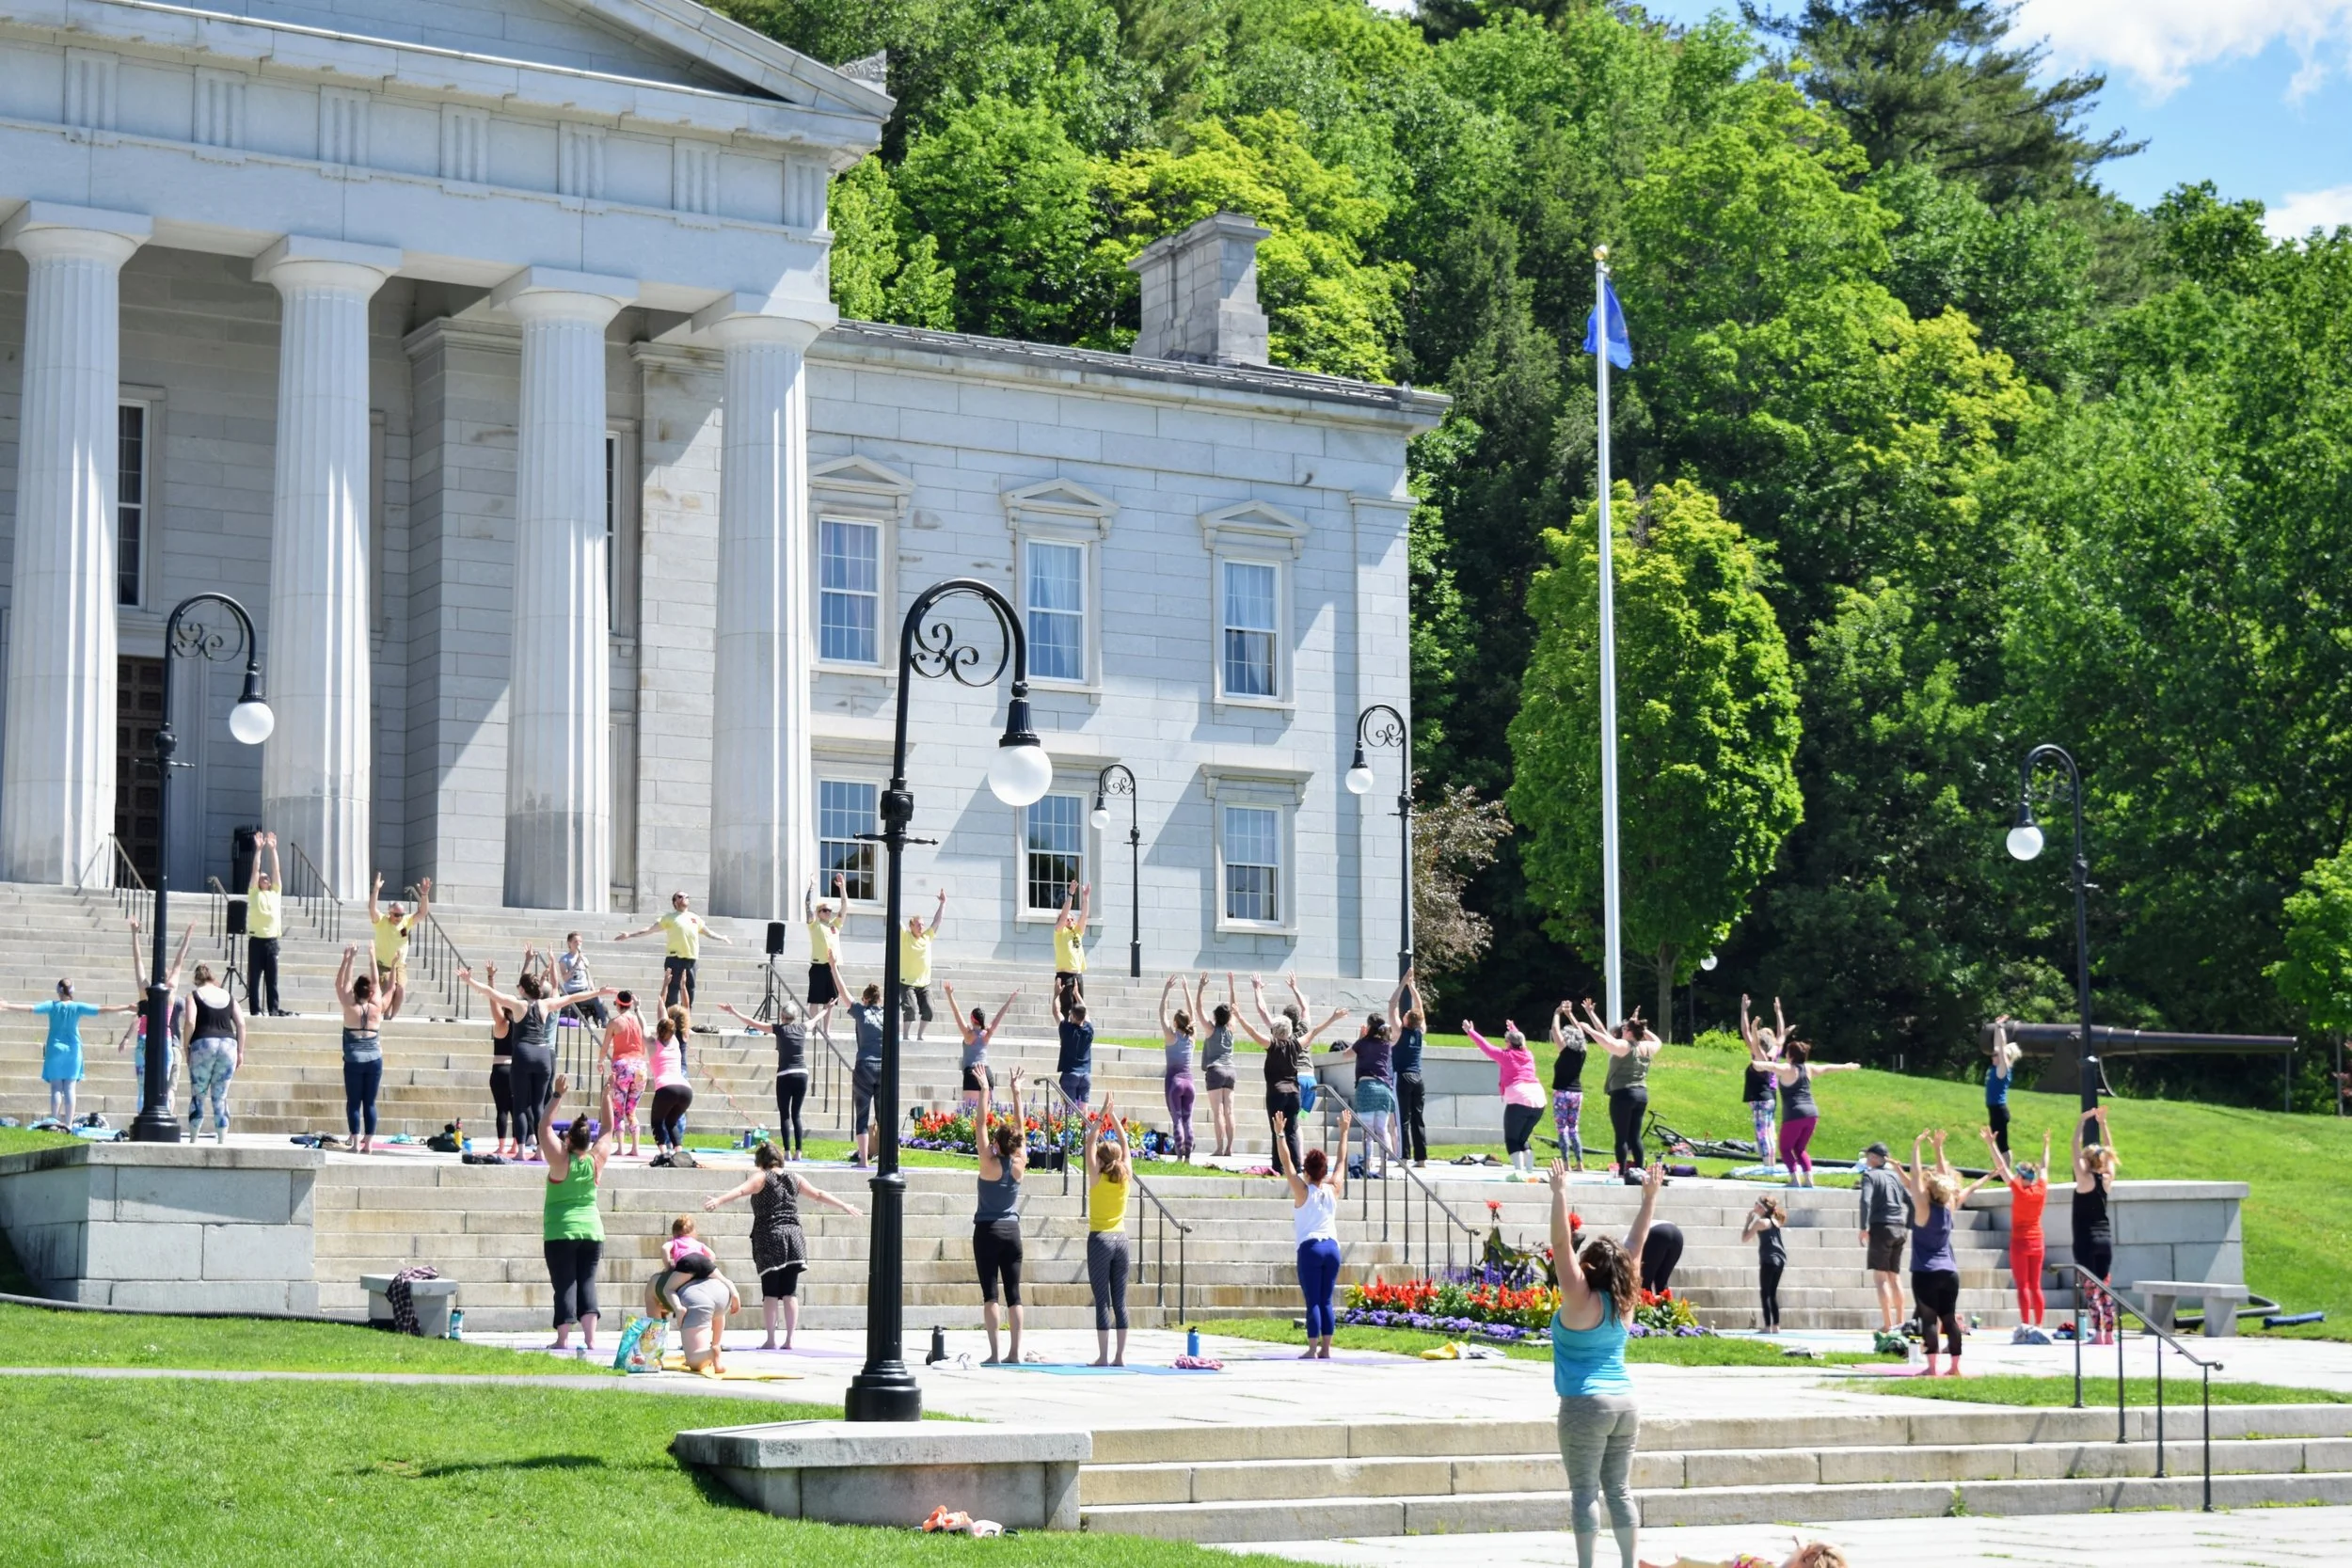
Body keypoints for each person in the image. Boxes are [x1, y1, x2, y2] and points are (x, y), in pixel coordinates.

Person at [1549, 1157, 1665, 1568]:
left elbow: (1560, 1245)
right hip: (1626, 1404)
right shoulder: (1625, 1301)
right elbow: (1636, 1242)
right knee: (1619, 1490)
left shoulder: (1579, 1298)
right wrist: (1649, 1199)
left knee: (1585, 1493)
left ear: (1588, 1267)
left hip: (1586, 1403)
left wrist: (1559, 1193)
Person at [704, 1139, 861, 1349]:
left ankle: (771, 1339)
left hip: (770, 1236)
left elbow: (741, 1191)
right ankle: (790, 1339)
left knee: (770, 1292)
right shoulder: (795, 1177)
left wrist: (718, 1200)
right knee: (789, 1291)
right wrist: (843, 1205)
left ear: (761, 1161)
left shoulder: (762, 1177)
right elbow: (818, 1194)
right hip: (794, 1236)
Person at [459, 966, 614, 1158]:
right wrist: (598, 992)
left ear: (523, 989)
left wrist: (469, 980)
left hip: (523, 1053)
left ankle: (521, 1151)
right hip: (543, 1055)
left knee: (520, 1105)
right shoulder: (545, 1005)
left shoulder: (517, 1005)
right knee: (539, 1106)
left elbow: (490, 993)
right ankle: (541, 1151)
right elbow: (572, 998)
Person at [1898, 1130, 1993, 1376]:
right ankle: (1954, 1367)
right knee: (1949, 1320)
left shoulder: (1922, 1209)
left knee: (1929, 1319)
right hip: (1949, 1273)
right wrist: (1938, 1148)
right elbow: (1945, 1176)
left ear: (1929, 1190)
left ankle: (1931, 1368)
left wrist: (1916, 1147)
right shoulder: (1950, 1206)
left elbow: (1916, 1176)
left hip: (1925, 1272)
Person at [541, 1072, 615, 1354]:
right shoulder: (596, 1160)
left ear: (569, 1140)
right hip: (592, 1232)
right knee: (587, 1283)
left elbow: (544, 1126)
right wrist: (606, 1096)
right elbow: (608, 1127)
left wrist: (557, 1095)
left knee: (565, 1284)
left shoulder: (561, 1160)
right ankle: (591, 1340)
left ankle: (562, 1339)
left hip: (561, 1231)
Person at [1273, 1105, 1353, 1358]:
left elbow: (1286, 1162)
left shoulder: (1302, 1191)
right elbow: (1341, 1161)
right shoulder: (1334, 1188)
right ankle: (1326, 1348)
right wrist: (1344, 1132)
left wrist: (1280, 1134)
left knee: (1313, 1301)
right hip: (1332, 1248)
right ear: (1323, 1172)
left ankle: (1311, 1348)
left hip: (1310, 1248)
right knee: (1327, 1299)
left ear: (1306, 1172)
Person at [1240, 984, 1346, 1173]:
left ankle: (1278, 1166)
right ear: (1289, 1032)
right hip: (1294, 1093)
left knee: (1277, 1131)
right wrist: (1333, 1018)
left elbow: (1252, 1033)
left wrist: (1239, 1017)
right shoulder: (1296, 1044)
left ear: (1274, 1031)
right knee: (1292, 1131)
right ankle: (1296, 1166)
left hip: (1277, 1094)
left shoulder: (1272, 1045)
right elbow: (1314, 1031)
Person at [4, 979, 135, 1126]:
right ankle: (68, 1124)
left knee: (56, 1088)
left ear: (58, 991)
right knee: (70, 1088)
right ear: (72, 991)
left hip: (55, 1049)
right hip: (73, 1050)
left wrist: (7, 1005)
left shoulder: (52, 1006)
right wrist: (127, 1007)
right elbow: (102, 1009)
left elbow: (30, 1008)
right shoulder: (77, 1007)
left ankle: (54, 1120)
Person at [973, 1063, 1029, 1365]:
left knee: (990, 1294)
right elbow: (1020, 1129)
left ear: (996, 1144)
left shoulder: (988, 1162)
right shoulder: (1020, 1163)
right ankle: (1014, 1353)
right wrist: (1016, 1093)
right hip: (1012, 1231)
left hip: (987, 1230)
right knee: (1014, 1294)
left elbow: (981, 1122)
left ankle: (995, 1354)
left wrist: (985, 1089)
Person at [720, 996, 814, 1160]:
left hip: (785, 1074)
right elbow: (815, 1019)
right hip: (802, 1073)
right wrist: (827, 1009)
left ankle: (787, 1152)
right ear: (795, 1017)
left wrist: (733, 1011)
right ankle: (799, 1151)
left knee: (785, 1114)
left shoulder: (779, 1029)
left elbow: (753, 1023)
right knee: (796, 1114)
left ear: (781, 1015)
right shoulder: (802, 1028)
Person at [118, 918, 195, 1117]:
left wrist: (134, 935)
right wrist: (187, 936)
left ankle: (142, 1118)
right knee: (163, 1087)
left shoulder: (145, 990)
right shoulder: (170, 991)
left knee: (143, 1088)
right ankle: (164, 1116)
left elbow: (138, 962)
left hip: (144, 1039)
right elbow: (179, 963)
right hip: (165, 1040)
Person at [1580, 1002, 1663, 1183]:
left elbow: (1604, 1039)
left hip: (1623, 1094)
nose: (1621, 1030)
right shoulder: (1647, 1047)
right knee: (1635, 1137)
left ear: (1629, 1032)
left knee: (1621, 1137)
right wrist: (1591, 1014)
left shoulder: (1625, 1046)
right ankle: (1640, 1172)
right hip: (1641, 1094)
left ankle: (1622, 1174)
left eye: (1625, 1028)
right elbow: (1658, 1041)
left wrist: (1587, 1029)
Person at [613, 890, 728, 1013]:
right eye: (680, 896)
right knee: (672, 992)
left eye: (686, 896)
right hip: (674, 960)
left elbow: (708, 933)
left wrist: (722, 937)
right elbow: (650, 930)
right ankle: (669, 1018)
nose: (684, 898)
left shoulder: (695, 918)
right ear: (675, 902)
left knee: (690, 991)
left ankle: (686, 1019)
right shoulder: (669, 918)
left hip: (691, 961)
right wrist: (630, 934)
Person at [1982, 1123, 2051, 1326]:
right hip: (2038, 1242)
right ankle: (2039, 1325)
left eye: (2018, 1175)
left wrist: (1991, 1144)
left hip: (2020, 1243)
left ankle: (2026, 1324)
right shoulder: (2041, 1189)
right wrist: (2046, 1145)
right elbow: (2045, 1167)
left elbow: (2001, 1167)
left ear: (2021, 1177)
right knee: (2036, 1286)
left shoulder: (2019, 1191)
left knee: (2023, 1286)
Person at [332, 943, 399, 1152]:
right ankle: (368, 1144)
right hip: (374, 1059)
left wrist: (348, 959)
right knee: (370, 1103)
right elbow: (388, 987)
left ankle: (354, 1142)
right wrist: (388, 964)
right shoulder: (377, 1007)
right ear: (370, 993)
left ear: (355, 991)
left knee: (353, 1102)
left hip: (354, 1059)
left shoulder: (349, 1006)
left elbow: (341, 983)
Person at [1083, 1092, 1133, 1366]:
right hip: (1121, 1240)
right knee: (1120, 1301)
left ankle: (1103, 1356)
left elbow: (1090, 1141)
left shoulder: (1096, 1177)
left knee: (1103, 1300)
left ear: (1101, 1161)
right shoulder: (1125, 1176)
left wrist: (1102, 1114)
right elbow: (1124, 1144)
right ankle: (1120, 1356)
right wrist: (1114, 1117)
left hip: (1100, 1240)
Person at [1771, 1037, 1859, 1188]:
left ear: (1790, 1055)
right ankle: (1809, 1180)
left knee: (1785, 1148)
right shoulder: (1809, 1068)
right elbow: (1827, 1068)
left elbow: (1771, 1066)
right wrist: (1846, 1066)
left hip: (1794, 1114)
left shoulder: (1788, 1069)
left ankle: (1795, 1180)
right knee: (1799, 1149)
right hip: (1812, 1114)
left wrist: (1756, 1063)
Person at [1465, 1019, 1546, 1175]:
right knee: (1522, 1139)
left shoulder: (1505, 1056)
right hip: (1539, 1100)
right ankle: (1530, 1172)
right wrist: (1513, 1028)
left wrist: (1470, 1032)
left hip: (1519, 1099)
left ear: (1508, 1043)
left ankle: (1519, 1173)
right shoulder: (1528, 1055)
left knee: (1512, 1139)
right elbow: (1520, 1041)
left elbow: (1485, 1047)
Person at [175, 962, 244, 1139]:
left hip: (203, 1044)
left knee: (198, 1095)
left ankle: (193, 1138)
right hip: (228, 1045)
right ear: (213, 979)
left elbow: (190, 1021)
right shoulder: (228, 996)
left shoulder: (193, 996)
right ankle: (222, 1139)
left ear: (196, 980)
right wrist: (240, 1051)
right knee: (221, 1096)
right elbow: (241, 1024)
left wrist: (186, 1045)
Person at [2074, 1104, 2121, 1344]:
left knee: (2091, 1289)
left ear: (2086, 1161)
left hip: (2086, 1241)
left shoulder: (2084, 1180)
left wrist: (2081, 1122)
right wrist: (2103, 1124)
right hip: (2105, 1240)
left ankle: (2099, 1334)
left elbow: (2073, 1148)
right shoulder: (2106, 1180)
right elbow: (2110, 1154)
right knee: (2105, 1288)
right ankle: (2110, 1333)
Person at [944, 979, 1020, 1115]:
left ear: (972, 1019)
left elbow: (957, 1013)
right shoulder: (987, 1033)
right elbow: (999, 1016)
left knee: (971, 1113)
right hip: (986, 1072)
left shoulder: (968, 1034)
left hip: (972, 1073)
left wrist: (950, 995)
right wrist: (1010, 999)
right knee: (987, 1114)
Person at [1856, 1141, 1909, 1334]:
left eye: (1868, 1156)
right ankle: (1901, 1322)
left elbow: (1865, 1200)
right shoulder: (1894, 1176)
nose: (1866, 1159)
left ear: (1874, 1158)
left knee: (1880, 1278)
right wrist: (1909, 1225)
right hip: (1899, 1227)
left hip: (1881, 1227)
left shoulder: (1869, 1176)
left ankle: (1888, 1324)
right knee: (1894, 1276)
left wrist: (1863, 1227)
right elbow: (1910, 1201)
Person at [1343, 1006, 1396, 1178]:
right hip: (1384, 1089)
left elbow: (1346, 1055)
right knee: (1382, 1130)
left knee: (1367, 1132)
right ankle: (1383, 1167)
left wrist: (1360, 1037)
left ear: (1368, 1027)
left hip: (1366, 1088)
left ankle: (1366, 1164)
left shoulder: (1362, 1043)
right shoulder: (1386, 1045)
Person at [1738, 995, 1785, 1176]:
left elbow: (1745, 1032)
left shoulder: (1760, 1057)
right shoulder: (1774, 1052)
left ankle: (1768, 1166)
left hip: (1760, 1098)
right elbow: (1781, 1035)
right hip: (1771, 1095)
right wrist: (1778, 1013)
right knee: (1769, 1130)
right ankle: (1770, 1163)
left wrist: (1745, 1011)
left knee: (1763, 1133)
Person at [366, 873, 430, 994]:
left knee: (400, 989)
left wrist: (424, 895)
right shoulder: (381, 921)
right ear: (390, 913)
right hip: (383, 966)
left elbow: (422, 913)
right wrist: (376, 890)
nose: (399, 918)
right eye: (396, 915)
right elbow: (372, 909)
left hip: (399, 966)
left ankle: (392, 1008)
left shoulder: (406, 921)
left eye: (401, 915)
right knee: (389, 989)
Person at [804, 871, 848, 1052]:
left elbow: (844, 907)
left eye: (829, 910)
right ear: (818, 912)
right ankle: (813, 1027)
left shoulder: (834, 926)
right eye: (824, 910)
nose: (828, 912)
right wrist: (812, 886)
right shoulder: (814, 924)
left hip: (832, 967)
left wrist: (842, 888)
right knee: (815, 999)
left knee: (830, 1001)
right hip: (818, 966)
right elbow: (807, 905)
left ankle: (826, 1030)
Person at [246, 831, 287, 1015]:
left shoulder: (276, 892)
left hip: (271, 941)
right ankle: (255, 1010)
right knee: (254, 979)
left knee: (272, 979)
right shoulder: (254, 893)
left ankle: (273, 1010)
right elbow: (255, 870)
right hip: (256, 941)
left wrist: (273, 850)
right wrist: (259, 850)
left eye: (266, 878)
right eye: (262, 877)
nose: (265, 878)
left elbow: (276, 871)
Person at [646, 1011, 694, 1164]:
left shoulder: (652, 1045)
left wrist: (638, 1010)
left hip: (667, 1088)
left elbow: (643, 1026)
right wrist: (662, 1003)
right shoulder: (675, 1042)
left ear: (658, 1031)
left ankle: (664, 1153)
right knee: (671, 1121)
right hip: (686, 1090)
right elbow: (664, 1018)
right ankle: (679, 1153)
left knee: (657, 1122)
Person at [1393, 970, 1430, 1167]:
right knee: (1418, 1118)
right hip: (1418, 1077)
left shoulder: (1400, 1032)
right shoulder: (1420, 1031)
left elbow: (1391, 1005)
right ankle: (1421, 1158)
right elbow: (1420, 1007)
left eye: (1406, 1014)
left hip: (1403, 1076)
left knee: (1403, 1118)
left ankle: (1404, 1157)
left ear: (1407, 1020)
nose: (1404, 1013)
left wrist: (1402, 984)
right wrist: (1412, 987)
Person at [847, 982, 886, 1167]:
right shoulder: (887, 1014)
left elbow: (843, 993)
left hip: (864, 1064)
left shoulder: (861, 1012)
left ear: (866, 999)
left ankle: (863, 1159)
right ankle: (885, 1156)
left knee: (862, 1115)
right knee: (883, 1115)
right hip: (884, 1066)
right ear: (879, 999)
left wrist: (833, 969)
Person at [1159, 976, 1198, 1163]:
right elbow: (1192, 1014)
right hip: (1189, 1083)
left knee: (1177, 1120)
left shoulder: (1171, 1036)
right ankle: (1188, 1157)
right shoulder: (1192, 1036)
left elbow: (1162, 1013)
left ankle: (1180, 1155)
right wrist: (1186, 989)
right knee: (1188, 1120)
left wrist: (1166, 990)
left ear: (1175, 1023)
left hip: (1174, 1082)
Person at [603, 990, 646, 1158]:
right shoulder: (639, 1021)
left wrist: (600, 1061)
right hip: (640, 1066)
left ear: (618, 1004)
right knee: (631, 1111)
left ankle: (620, 1147)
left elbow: (605, 1046)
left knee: (618, 1110)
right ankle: (635, 1147)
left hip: (622, 1066)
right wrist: (638, 1008)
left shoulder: (614, 1022)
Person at [898, 887, 945, 1041]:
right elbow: (896, 918)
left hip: (924, 983)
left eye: (922, 925)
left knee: (930, 1009)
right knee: (910, 1009)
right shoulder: (905, 936)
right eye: (918, 925)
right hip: (907, 983)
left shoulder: (927, 937)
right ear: (911, 925)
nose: (921, 927)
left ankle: (920, 1035)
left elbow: (937, 921)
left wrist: (942, 903)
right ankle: (905, 1036)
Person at [1201, 974, 1240, 1159]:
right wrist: (1232, 987)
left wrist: (1200, 988)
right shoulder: (1231, 1028)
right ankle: (1230, 1147)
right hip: (1230, 1070)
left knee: (1218, 1112)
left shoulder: (1210, 1029)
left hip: (1215, 1070)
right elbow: (1234, 1008)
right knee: (1229, 1111)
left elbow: (1198, 1009)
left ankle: (1219, 1147)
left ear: (1216, 1016)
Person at [1550, 999, 1588, 1173]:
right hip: (1577, 1093)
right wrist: (1570, 1014)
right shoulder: (1582, 1052)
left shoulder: (1564, 1051)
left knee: (1562, 1129)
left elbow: (1555, 1030)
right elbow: (1580, 1031)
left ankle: (1565, 1163)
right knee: (1574, 1128)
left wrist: (1558, 1013)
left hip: (1561, 1093)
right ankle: (1580, 1163)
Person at [1742, 1196, 1788, 1333]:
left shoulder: (1760, 1223)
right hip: (1780, 1259)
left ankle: (1767, 1326)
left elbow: (1745, 1238)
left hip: (1769, 1259)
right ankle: (1776, 1326)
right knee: (1772, 1293)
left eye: (1757, 1204)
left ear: (1762, 1208)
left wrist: (1748, 1222)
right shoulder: (1775, 1221)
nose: (1754, 1206)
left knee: (1765, 1293)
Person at [1052, 879, 1090, 1021]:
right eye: (1067, 919)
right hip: (1065, 975)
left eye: (1071, 919)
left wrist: (1086, 898)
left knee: (1079, 1009)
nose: (1070, 921)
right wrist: (1070, 894)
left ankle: (1078, 1031)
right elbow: (1064, 915)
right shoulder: (1059, 932)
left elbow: (1084, 917)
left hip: (1077, 975)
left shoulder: (1077, 931)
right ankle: (1066, 1031)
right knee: (1066, 1009)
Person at [553, 932, 608, 1026]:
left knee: (597, 998)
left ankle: (604, 1022)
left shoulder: (584, 959)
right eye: (575, 941)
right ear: (569, 943)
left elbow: (588, 976)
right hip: (571, 992)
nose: (578, 943)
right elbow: (565, 978)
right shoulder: (564, 959)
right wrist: (576, 963)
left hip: (584, 990)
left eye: (580, 941)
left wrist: (593, 990)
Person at [1985, 1015, 2021, 1155]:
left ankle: (2005, 1167)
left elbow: (2001, 1046)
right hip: (1994, 1110)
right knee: (1998, 1143)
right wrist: (1997, 1027)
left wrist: (2000, 1027)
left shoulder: (2002, 1071)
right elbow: (1999, 1044)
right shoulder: (1996, 1068)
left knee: (2002, 1145)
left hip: (1999, 1111)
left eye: (1995, 1055)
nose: (1992, 1056)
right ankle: (2002, 1167)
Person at [1057, 1001, 1096, 1112]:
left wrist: (1056, 996)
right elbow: (1085, 1013)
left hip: (1070, 1074)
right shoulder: (1089, 1029)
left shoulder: (1066, 1028)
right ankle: (1085, 1123)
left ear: (1073, 1016)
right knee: (1084, 1110)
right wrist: (1077, 995)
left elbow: (1056, 1011)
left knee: (1069, 1111)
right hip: (1085, 1075)